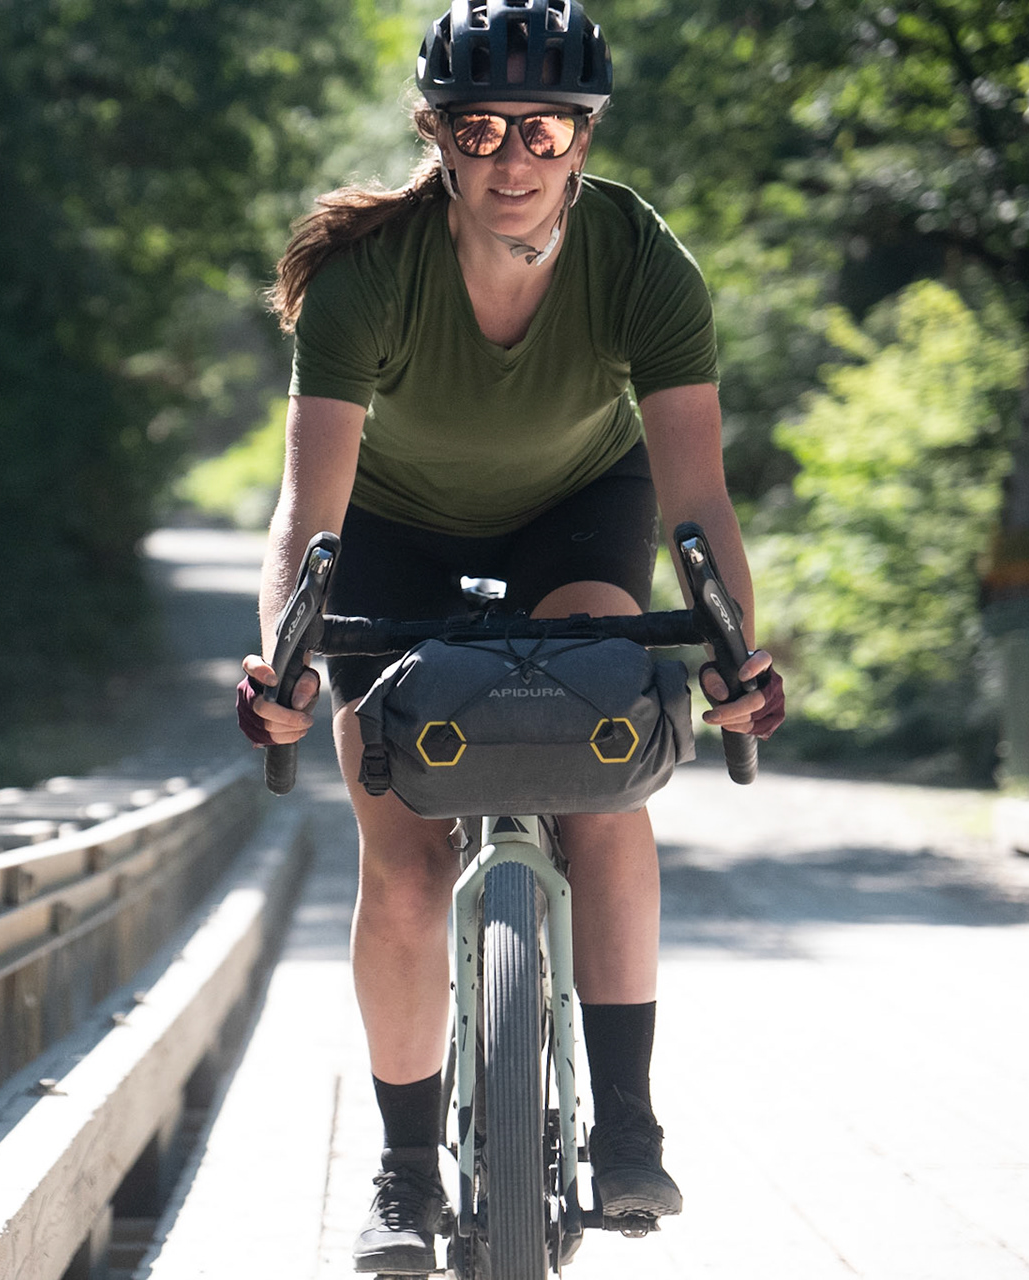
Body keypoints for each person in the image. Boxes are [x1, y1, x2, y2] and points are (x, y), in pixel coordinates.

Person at [234, 0, 786, 1272]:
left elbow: (698, 500)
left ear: (584, 139)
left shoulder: (642, 261)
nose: (514, 157)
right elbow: (306, 513)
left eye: (545, 129)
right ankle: (402, 1170)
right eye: (481, 129)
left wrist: (729, 651)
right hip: (390, 530)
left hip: (575, 513)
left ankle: (629, 1123)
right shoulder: (370, 277)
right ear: (437, 135)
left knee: (608, 761)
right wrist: (284, 659)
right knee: (402, 854)